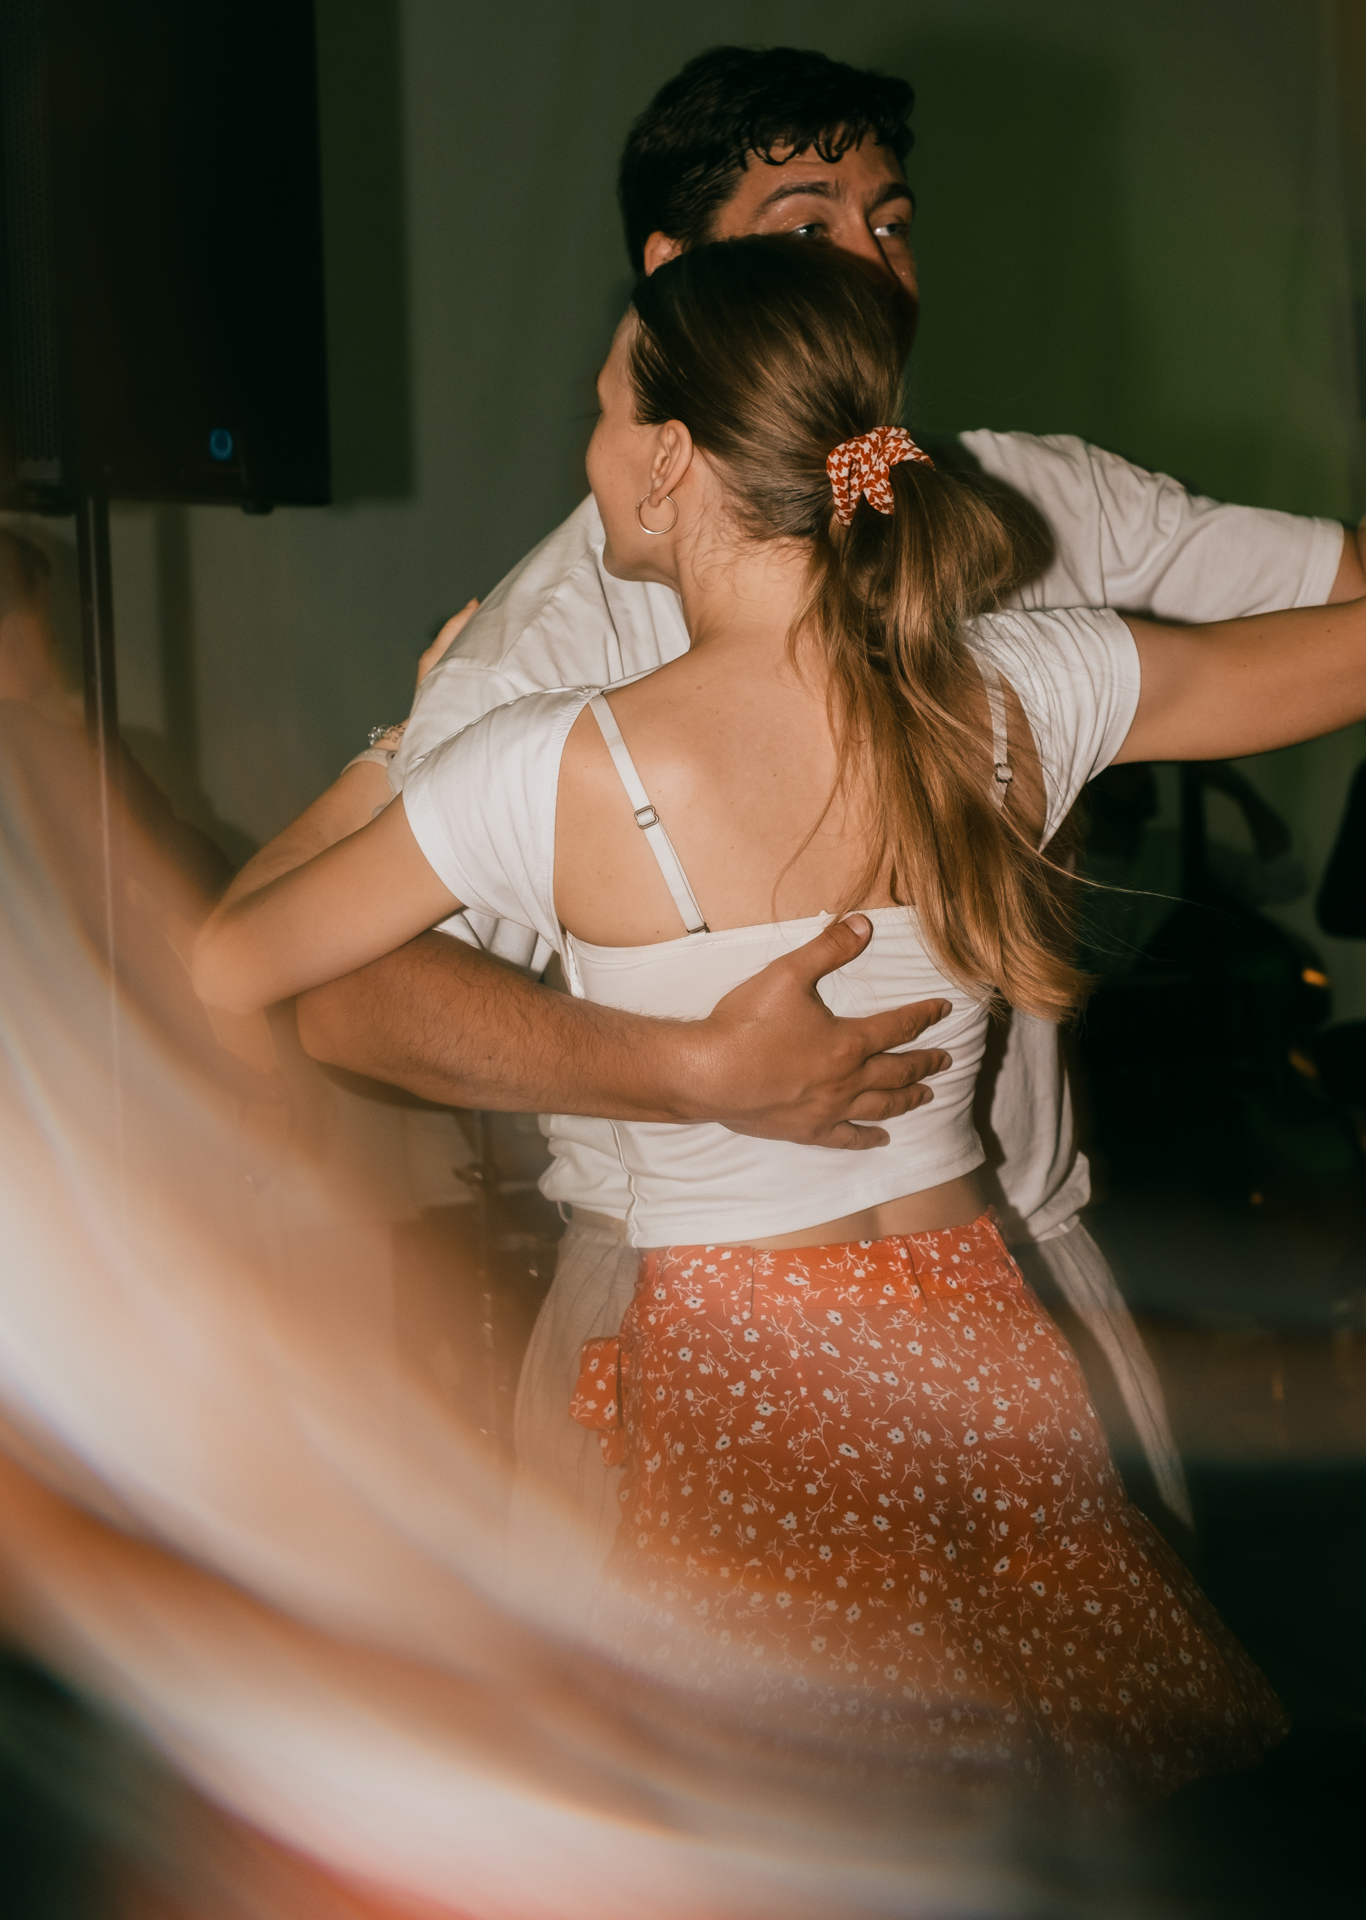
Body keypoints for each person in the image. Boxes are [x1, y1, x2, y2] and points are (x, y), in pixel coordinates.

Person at [194, 232, 1366, 1805]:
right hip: (977, 1348)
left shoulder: (558, 765)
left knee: (812, 1824)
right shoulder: (1008, 692)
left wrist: (400, 755)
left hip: (762, 1389)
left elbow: (236, 961)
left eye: (607, 410)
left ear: (673, 461)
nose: (589, 450)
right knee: (1014, 1821)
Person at [299, 45, 1365, 1562]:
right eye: (808, 223)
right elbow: (344, 998)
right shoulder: (553, 638)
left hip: (1018, 1271)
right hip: (691, 1310)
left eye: (891, 218)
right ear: (671, 280)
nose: (871, 261)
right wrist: (690, 1070)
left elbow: (1336, 602)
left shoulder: (1029, 499)